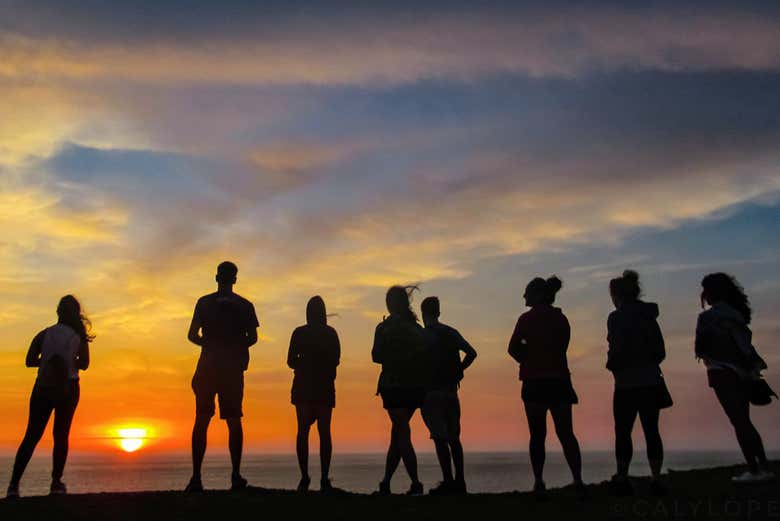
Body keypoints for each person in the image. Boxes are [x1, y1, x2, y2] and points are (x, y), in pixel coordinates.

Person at [6, 295, 93, 499]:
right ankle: (56, 482)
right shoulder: (77, 337)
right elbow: (85, 364)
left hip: (43, 388)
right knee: (61, 436)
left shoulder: (43, 334)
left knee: (31, 436)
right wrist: (67, 361)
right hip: (68, 389)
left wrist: (47, 363)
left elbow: (29, 361)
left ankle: (13, 485)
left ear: (57, 312)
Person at [507, 276, 585, 498]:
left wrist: (527, 358)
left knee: (537, 434)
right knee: (566, 433)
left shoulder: (525, 319)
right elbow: (563, 346)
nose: (524, 296)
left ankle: (539, 481)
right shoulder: (561, 319)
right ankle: (577, 479)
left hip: (534, 382)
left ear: (537, 295)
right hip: (559, 380)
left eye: (527, 292)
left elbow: (512, 348)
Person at [185, 261, 259, 492]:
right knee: (234, 420)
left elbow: (191, 335)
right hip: (231, 370)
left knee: (202, 418)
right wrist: (235, 346)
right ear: (234, 279)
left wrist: (208, 343)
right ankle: (235, 475)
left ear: (216, 277)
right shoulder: (245, 305)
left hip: (207, 367)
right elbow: (253, 338)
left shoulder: (204, 303)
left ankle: (196, 477)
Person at [695, 273, 774, 484]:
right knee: (744, 421)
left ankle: (755, 470)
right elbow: (745, 346)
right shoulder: (737, 315)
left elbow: (701, 349)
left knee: (739, 422)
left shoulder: (707, 318)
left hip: (721, 373)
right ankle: (763, 466)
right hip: (744, 373)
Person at [607, 270, 673, 496]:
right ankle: (656, 477)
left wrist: (613, 363)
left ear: (617, 295)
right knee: (652, 430)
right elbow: (661, 351)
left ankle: (623, 476)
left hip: (626, 383)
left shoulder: (616, 318)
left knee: (623, 431)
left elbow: (616, 349)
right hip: (651, 380)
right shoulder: (649, 316)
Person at [372, 286, 428, 495]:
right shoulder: (415, 328)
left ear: (389, 304)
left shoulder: (384, 328)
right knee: (398, 433)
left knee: (401, 433)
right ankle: (386, 482)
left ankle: (415, 483)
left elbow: (376, 356)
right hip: (414, 387)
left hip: (393, 385)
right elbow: (426, 352)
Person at [420, 296, 477, 495]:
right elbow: (471, 353)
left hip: (431, 392)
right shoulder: (451, 332)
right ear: (438, 312)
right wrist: (459, 370)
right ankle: (459, 481)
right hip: (451, 391)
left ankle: (448, 481)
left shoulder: (422, 335)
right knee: (454, 438)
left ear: (422, 313)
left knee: (439, 438)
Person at [287, 296, 341, 493]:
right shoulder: (330, 333)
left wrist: (304, 364)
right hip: (324, 387)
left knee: (303, 431)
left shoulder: (299, 333)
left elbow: (290, 360)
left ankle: (304, 477)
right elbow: (336, 359)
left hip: (303, 387)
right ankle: (324, 478)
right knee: (324, 432)